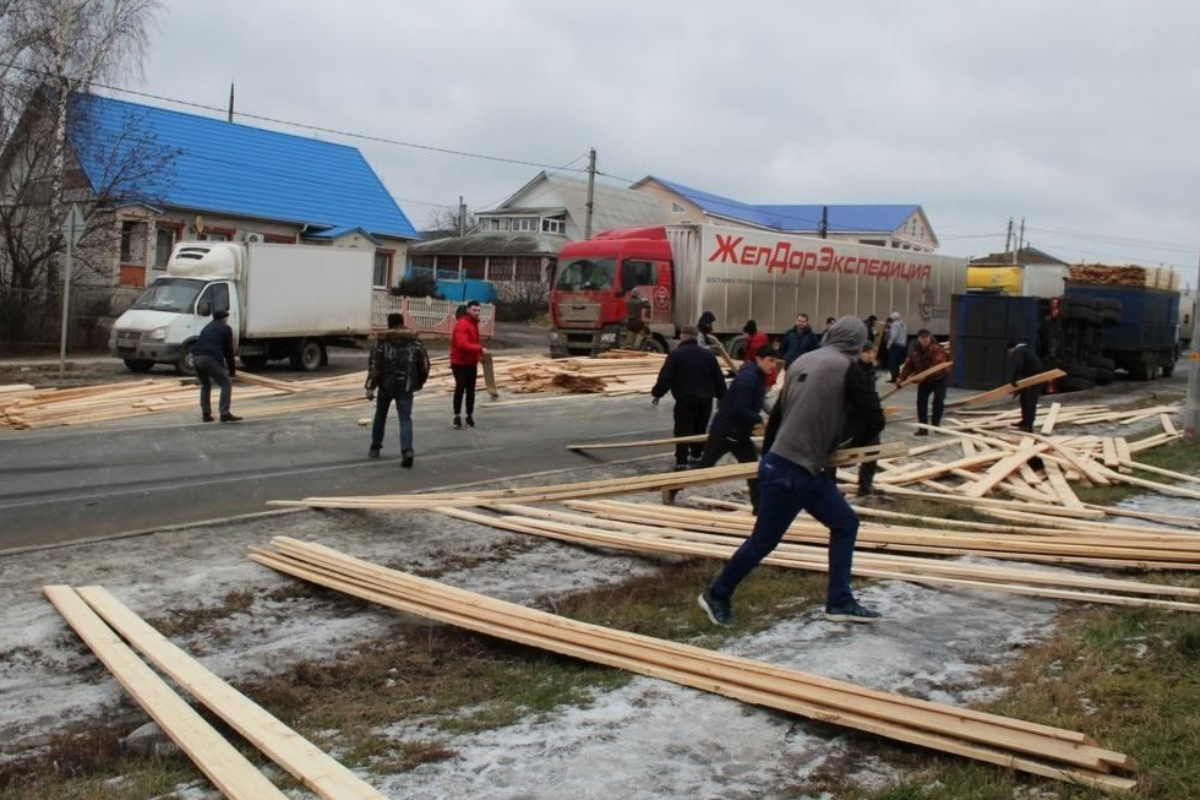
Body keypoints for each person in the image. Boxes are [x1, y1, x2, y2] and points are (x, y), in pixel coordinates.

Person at [698, 316, 886, 627]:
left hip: (790, 465)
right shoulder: (848, 366)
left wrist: (768, 460)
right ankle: (717, 593)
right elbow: (874, 417)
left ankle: (839, 602)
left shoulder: (802, 359)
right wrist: (854, 446)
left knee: (845, 523)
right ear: (856, 340)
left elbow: (779, 414)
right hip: (793, 471)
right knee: (764, 541)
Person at [671, 346, 779, 512]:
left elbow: (758, 402)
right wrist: (760, 420)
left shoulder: (758, 377)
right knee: (704, 469)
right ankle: (672, 488)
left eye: (775, 362)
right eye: (770, 361)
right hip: (724, 432)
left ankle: (759, 507)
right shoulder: (749, 378)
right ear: (759, 359)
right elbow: (739, 408)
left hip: (739, 434)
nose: (773, 366)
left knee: (753, 469)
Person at [650, 325, 727, 470]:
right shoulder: (708, 356)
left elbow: (666, 378)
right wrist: (722, 396)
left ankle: (681, 461)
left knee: (682, 430)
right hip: (705, 400)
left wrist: (657, 393)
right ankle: (697, 455)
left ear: (683, 336)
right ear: (696, 337)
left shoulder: (676, 355)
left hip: (686, 400)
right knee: (700, 428)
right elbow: (718, 378)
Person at [365, 313, 431, 467]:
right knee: (405, 419)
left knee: (380, 415)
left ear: (389, 325)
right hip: (406, 386)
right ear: (403, 323)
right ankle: (407, 451)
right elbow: (425, 365)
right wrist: (419, 382)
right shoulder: (415, 342)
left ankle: (375, 447)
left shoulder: (381, 342)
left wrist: (370, 387)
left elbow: (375, 366)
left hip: (385, 386)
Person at [825, 343, 885, 499]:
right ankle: (829, 486)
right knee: (835, 451)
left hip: (866, 418)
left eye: (872, 352)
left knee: (872, 449)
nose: (870, 355)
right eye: (867, 352)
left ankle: (865, 485)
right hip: (849, 417)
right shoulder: (853, 369)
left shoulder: (870, 370)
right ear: (859, 354)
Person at [192, 308, 241, 423]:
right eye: (226, 318)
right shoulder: (225, 328)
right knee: (226, 382)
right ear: (224, 318)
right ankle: (224, 413)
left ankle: (206, 414)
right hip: (208, 358)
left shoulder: (207, 327)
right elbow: (228, 350)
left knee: (205, 385)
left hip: (195, 358)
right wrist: (232, 370)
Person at [899, 328, 949, 436]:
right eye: (922, 337)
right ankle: (923, 428)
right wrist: (900, 379)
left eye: (927, 337)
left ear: (930, 337)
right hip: (924, 381)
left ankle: (936, 425)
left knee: (939, 400)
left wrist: (923, 376)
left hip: (939, 379)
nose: (925, 339)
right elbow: (908, 366)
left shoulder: (937, 349)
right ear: (918, 339)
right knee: (921, 402)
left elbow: (937, 366)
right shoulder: (915, 352)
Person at [451, 299, 488, 429]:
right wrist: (479, 349)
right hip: (459, 362)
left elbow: (474, 342)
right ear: (468, 310)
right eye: (474, 310)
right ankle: (457, 416)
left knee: (471, 390)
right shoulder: (462, 324)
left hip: (471, 363)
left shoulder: (474, 324)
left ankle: (469, 415)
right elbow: (462, 345)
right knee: (460, 387)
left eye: (478, 310)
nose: (477, 313)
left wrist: (480, 356)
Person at [1009, 341, 1045, 432]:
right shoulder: (1026, 350)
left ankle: (1029, 426)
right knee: (1024, 400)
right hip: (1031, 378)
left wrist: (1014, 380)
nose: (1010, 355)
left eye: (1009, 352)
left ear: (1011, 349)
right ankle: (1024, 422)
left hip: (1035, 380)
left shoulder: (1018, 351)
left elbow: (1019, 365)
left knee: (1030, 402)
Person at [886, 311, 908, 383]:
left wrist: (889, 343)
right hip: (902, 345)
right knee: (899, 363)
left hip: (896, 345)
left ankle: (894, 378)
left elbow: (894, 335)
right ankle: (899, 377)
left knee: (893, 363)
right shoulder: (903, 324)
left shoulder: (895, 324)